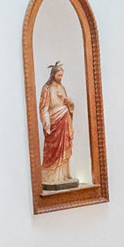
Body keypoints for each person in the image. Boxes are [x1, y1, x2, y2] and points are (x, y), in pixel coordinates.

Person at [38, 59, 75, 187]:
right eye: (59, 75)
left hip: (64, 120)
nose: (60, 78)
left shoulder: (61, 87)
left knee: (64, 147)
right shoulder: (46, 89)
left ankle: (63, 175)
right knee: (54, 149)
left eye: (62, 76)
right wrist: (47, 124)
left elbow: (67, 103)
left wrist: (70, 103)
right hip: (54, 122)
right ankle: (53, 177)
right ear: (53, 75)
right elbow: (44, 108)